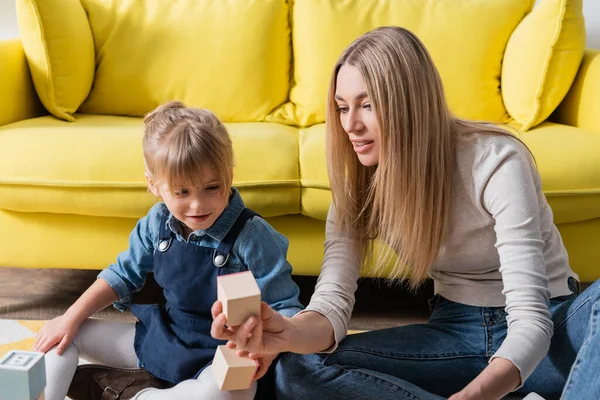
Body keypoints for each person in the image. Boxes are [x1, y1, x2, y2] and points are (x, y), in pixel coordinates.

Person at [211, 26, 600, 400]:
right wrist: (287, 333)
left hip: (551, 334)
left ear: (409, 101)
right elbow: (330, 304)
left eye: (367, 104)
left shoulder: (496, 161)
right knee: (296, 370)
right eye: (343, 107)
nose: (351, 124)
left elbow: (531, 318)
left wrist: (481, 392)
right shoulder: (358, 180)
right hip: (456, 334)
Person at [34, 101, 303, 400]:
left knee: (224, 393)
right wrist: (68, 318)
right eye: (182, 192)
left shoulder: (253, 236)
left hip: (220, 357)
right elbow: (121, 274)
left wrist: (262, 347)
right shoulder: (156, 222)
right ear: (153, 185)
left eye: (212, 187)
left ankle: (135, 394)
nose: (198, 205)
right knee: (59, 335)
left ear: (230, 173)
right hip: (164, 337)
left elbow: (286, 309)